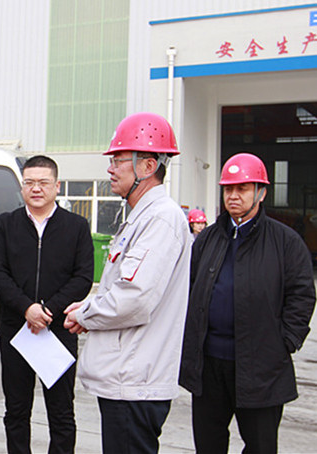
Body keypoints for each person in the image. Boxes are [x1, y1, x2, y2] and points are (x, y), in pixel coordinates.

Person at [63, 112, 191, 453]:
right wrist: (90, 307)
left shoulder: (161, 218)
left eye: (118, 161)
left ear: (147, 166)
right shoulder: (142, 217)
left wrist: (85, 314)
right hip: (127, 379)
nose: (110, 169)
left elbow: (134, 299)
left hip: (135, 381)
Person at [179, 153, 316, 453]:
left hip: (261, 368)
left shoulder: (286, 242)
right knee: (208, 445)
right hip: (209, 366)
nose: (233, 195)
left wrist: (286, 341)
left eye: (242, 188)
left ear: (261, 193)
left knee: (260, 446)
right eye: (228, 189)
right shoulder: (208, 239)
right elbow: (190, 288)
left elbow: (302, 295)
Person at [0, 155, 94, 454]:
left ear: (56, 186)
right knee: (16, 410)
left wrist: (48, 310)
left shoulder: (76, 226)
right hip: (17, 330)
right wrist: (27, 308)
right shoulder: (7, 223)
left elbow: (83, 277)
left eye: (43, 182)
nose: (36, 189)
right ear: (22, 187)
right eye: (29, 182)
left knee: (61, 412)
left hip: (57, 331)